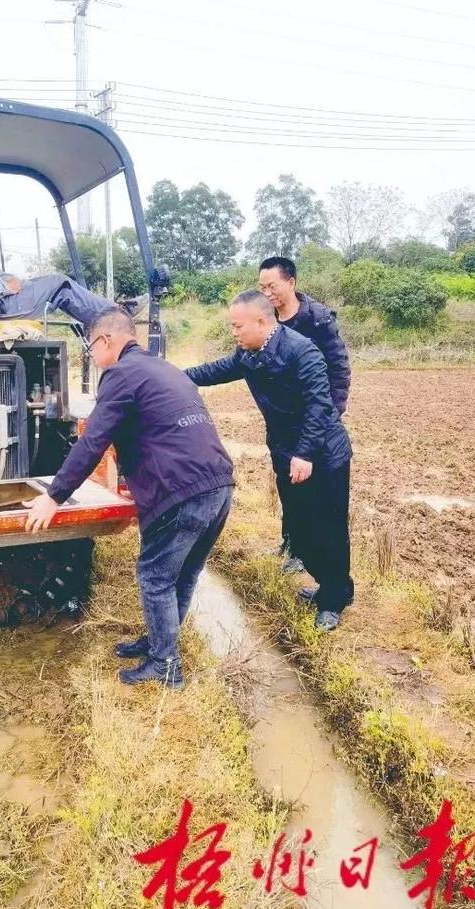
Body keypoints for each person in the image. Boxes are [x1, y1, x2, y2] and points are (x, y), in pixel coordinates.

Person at [24, 307, 234, 687]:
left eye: (91, 349)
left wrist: (54, 496)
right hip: (219, 486)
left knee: (155, 577)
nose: (93, 356)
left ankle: (165, 665)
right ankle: (160, 643)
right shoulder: (162, 368)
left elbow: (92, 441)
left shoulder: (120, 374)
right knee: (182, 575)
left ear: (106, 341)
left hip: (181, 492)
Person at [185, 290, 353, 632]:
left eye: (237, 326)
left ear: (262, 321)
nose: (233, 332)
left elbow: (320, 405)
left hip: (322, 454)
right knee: (300, 529)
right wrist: (173, 376)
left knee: (329, 530)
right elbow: (215, 370)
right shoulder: (249, 353)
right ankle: (329, 585)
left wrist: (305, 453)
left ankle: (335, 599)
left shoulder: (301, 350)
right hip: (286, 452)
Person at [0, 170, 146, 327]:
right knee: (60, 285)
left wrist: (13, 281)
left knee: (50, 284)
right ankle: (117, 318)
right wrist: (6, 288)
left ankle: (111, 313)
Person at [257, 256, 351, 574]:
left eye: (272, 286)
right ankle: (292, 543)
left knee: (319, 500)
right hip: (283, 426)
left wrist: (330, 414)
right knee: (288, 488)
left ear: (291, 283)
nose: (267, 292)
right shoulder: (266, 319)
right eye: (262, 287)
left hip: (314, 421)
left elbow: (338, 368)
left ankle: (316, 566)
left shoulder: (318, 320)